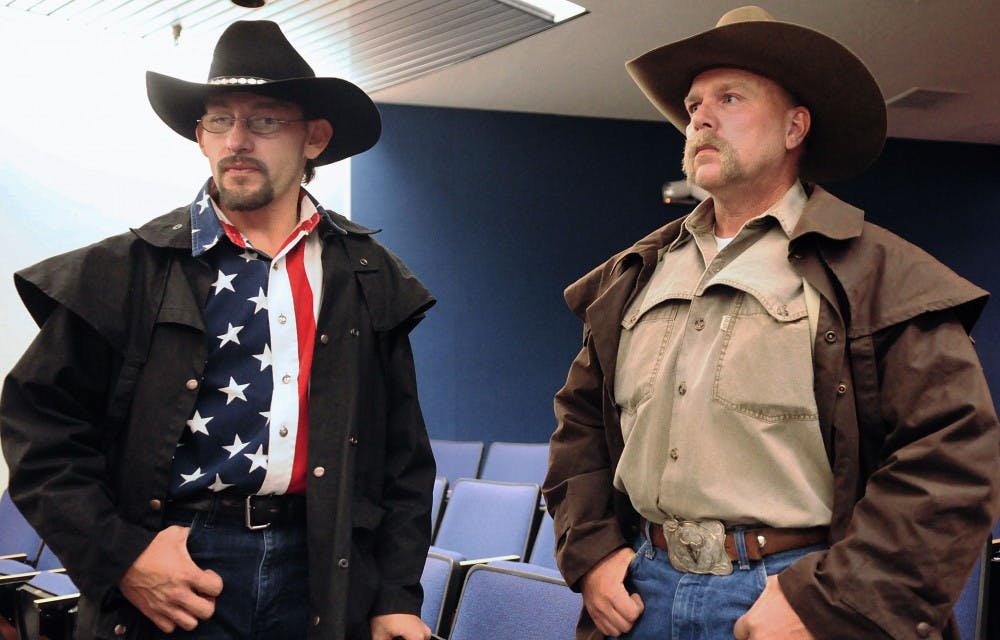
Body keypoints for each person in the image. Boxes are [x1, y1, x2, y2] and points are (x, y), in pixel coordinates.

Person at [544, 6, 1000, 640]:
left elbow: (949, 461)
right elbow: (580, 429)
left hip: (791, 598)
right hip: (640, 596)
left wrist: (831, 602)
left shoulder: (878, 274)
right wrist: (590, 552)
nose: (699, 116)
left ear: (794, 128)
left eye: (729, 97)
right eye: (694, 102)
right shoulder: (632, 276)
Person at [1, 20, 435, 640]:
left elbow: (404, 460)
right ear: (200, 138)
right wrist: (122, 556)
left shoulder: (368, 275)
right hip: (176, 564)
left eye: (264, 121)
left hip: (321, 565)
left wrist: (395, 597)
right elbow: (38, 431)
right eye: (217, 121)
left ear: (314, 138)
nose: (236, 140)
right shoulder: (129, 268)